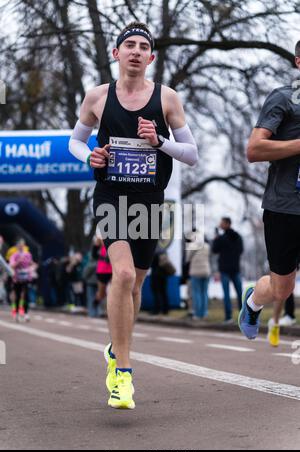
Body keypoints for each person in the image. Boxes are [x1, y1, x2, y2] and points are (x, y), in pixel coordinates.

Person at [69, 21, 198, 409]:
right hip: (111, 195)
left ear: (151, 57)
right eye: (130, 45)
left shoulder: (167, 99)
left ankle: (115, 347)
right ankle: (122, 375)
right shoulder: (97, 97)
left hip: (149, 200)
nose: (137, 51)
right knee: (122, 274)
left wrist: (159, 140)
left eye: (144, 46)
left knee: (136, 285)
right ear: (117, 53)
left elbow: (192, 154)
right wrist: (90, 155)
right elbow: (75, 142)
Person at [239, 41, 300, 341]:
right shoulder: (284, 98)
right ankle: (252, 301)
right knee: (281, 289)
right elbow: (254, 149)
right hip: (285, 207)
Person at [212, 218, 243, 323]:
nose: (220, 225)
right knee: (240, 293)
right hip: (235, 268)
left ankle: (228, 317)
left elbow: (214, 250)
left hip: (225, 269)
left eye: (222, 223)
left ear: (227, 224)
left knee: (226, 294)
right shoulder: (237, 236)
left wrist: (216, 239)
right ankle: (244, 316)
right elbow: (241, 250)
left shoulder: (221, 238)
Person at [9, 239, 33, 322]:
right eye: (19, 244)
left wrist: (31, 269)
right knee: (18, 296)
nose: (21, 246)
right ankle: (16, 314)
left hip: (26, 277)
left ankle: (26, 314)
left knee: (26, 295)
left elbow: (30, 264)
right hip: (17, 278)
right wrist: (18, 261)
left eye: (23, 244)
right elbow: (11, 266)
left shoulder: (28, 254)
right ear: (17, 246)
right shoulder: (14, 255)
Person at [187, 235, 211, 320]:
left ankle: (197, 314)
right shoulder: (207, 246)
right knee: (204, 293)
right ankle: (204, 313)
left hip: (195, 271)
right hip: (206, 271)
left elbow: (187, 258)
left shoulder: (193, 246)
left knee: (196, 293)